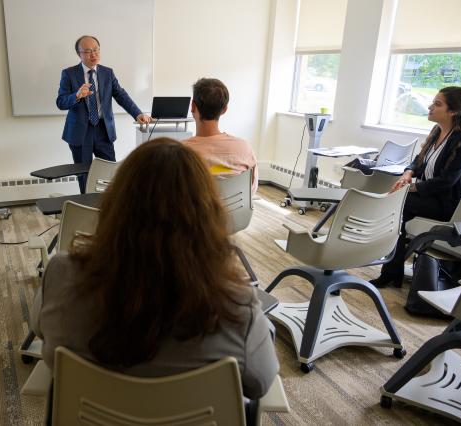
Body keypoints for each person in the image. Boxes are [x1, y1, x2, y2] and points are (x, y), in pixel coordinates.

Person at [32, 138, 279, 400]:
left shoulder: (61, 275)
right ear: (207, 214)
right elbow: (261, 383)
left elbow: (41, 331)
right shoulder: (236, 304)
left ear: (115, 204)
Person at [371, 86, 461, 288]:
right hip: (434, 198)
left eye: (437, 104)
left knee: (396, 203)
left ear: (453, 111)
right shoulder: (438, 131)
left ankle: (391, 272)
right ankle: (391, 271)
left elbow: (447, 181)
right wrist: (408, 174)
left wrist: (411, 188)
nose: (430, 107)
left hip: (453, 205)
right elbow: (418, 162)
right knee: (396, 212)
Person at [56, 35, 151, 193]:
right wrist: (77, 95)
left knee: (108, 173)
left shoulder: (107, 73)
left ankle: (108, 209)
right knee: (84, 175)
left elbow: (121, 95)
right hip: (80, 132)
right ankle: (86, 209)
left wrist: (137, 113)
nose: (93, 54)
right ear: (79, 54)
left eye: (95, 50)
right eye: (87, 51)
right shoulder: (69, 74)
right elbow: (60, 102)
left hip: (103, 130)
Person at [182, 78, 259, 194]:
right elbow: (252, 189)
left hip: (195, 212)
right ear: (224, 110)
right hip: (234, 212)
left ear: (192, 106)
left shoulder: (181, 151)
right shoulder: (244, 148)